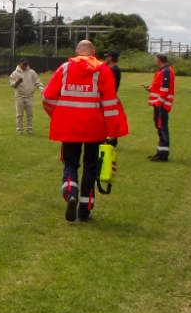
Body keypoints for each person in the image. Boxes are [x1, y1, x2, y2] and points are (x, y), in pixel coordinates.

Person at [42, 40, 129, 222]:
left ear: (76, 52)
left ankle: (70, 193)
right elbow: (110, 104)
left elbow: (48, 97)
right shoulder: (103, 71)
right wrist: (112, 131)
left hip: (70, 127)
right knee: (90, 168)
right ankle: (85, 210)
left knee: (70, 164)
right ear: (93, 53)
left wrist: (58, 115)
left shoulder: (64, 69)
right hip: (94, 129)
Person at [143, 53, 175, 162]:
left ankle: (163, 155)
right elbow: (159, 87)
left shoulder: (166, 71)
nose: (155, 61)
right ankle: (160, 152)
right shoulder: (163, 71)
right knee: (160, 128)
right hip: (159, 104)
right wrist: (151, 88)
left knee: (162, 128)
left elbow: (165, 89)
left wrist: (159, 103)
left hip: (161, 104)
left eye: (155, 59)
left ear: (159, 60)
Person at [9, 58, 44, 135]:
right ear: (20, 63)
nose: (25, 65)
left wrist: (42, 90)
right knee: (19, 115)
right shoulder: (14, 73)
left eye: (26, 64)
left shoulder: (31, 72)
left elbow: (38, 82)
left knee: (30, 115)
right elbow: (11, 84)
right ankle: (20, 130)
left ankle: (29, 130)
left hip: (29, 96)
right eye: (23, 64)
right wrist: (17, 82)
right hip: (19, 96)